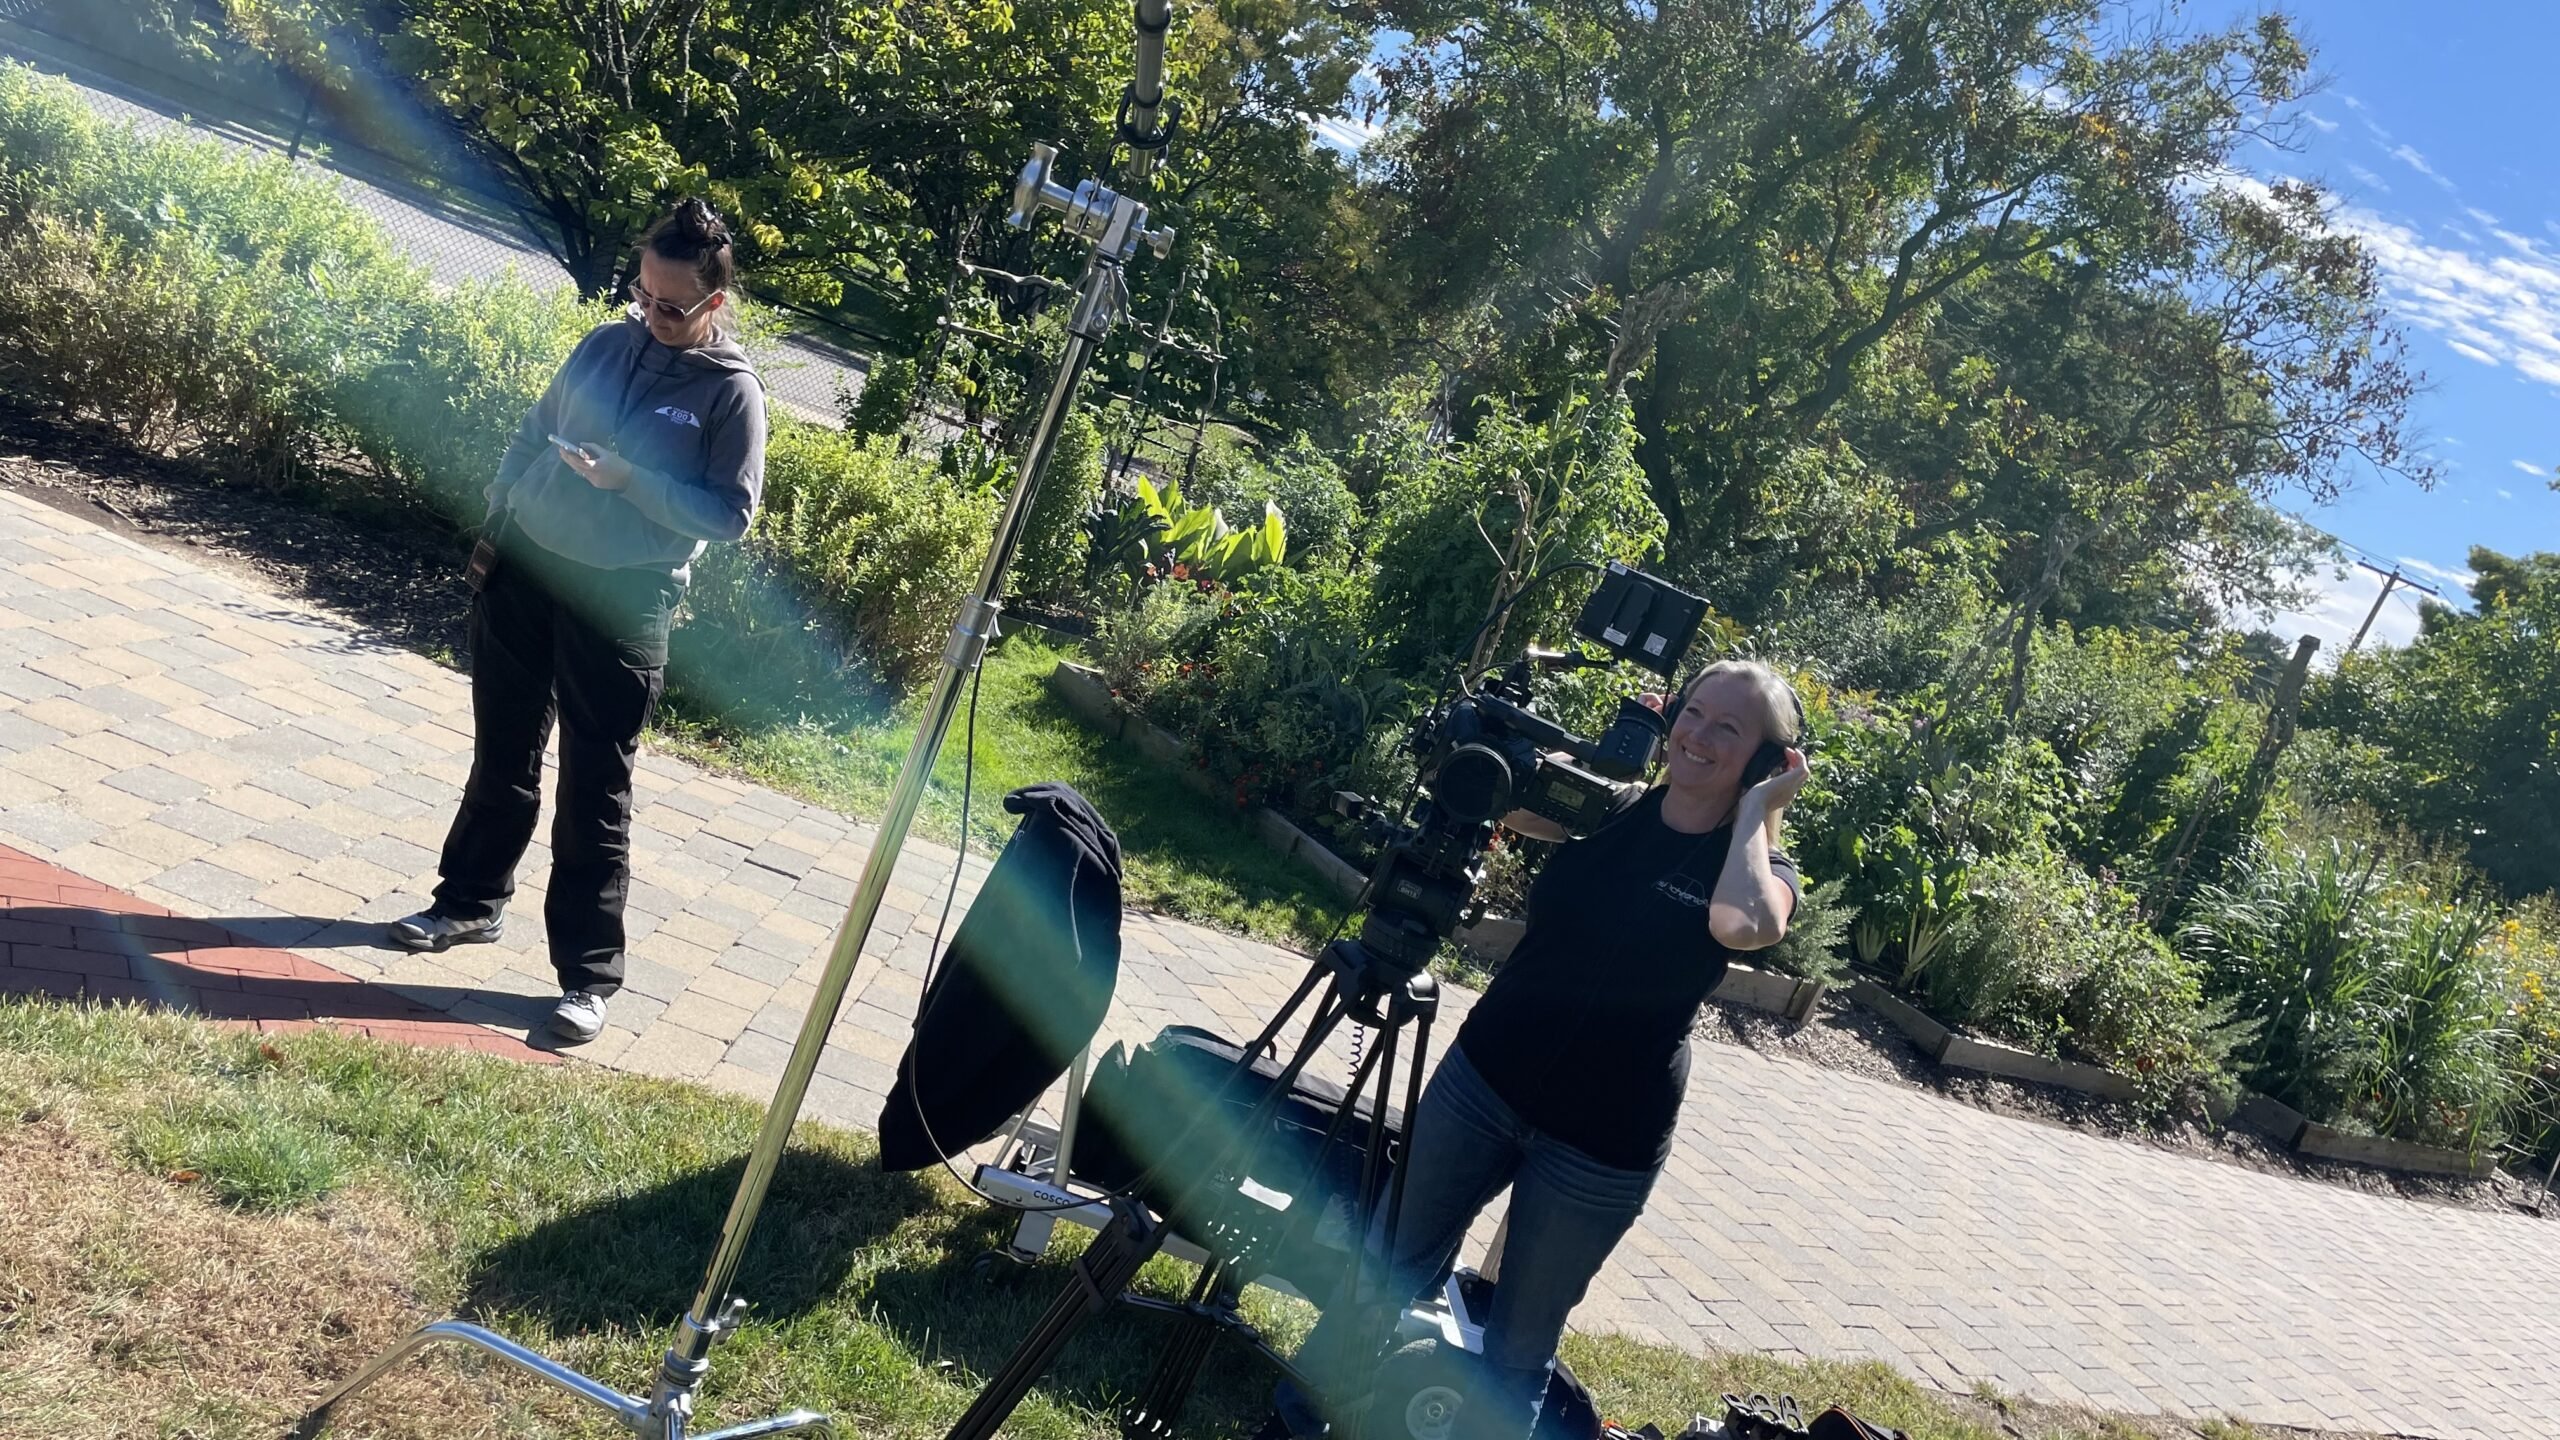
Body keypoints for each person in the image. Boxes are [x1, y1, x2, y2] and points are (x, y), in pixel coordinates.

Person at [1276, 659, 1810, 1440]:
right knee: (1381, 1271)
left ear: (1766, 761)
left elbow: (1742, 924)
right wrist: (1497, 739)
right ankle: (1295, 1424)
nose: (1696, 735)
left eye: (1728, 729)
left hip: (1600, 1147)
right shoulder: (1613, 808)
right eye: (1692, 713)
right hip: (1484, 1081)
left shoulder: (1759, 870)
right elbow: (1514, 798)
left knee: (1519, 1348)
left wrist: (1756, 811)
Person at [388, 198, 767, 1044]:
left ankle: (588, 979)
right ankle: (467, 905)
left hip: (624, 601)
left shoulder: (731, 394)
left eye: (673, 306)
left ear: (714, 303)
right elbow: (534, 431)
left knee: (595, 790)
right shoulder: (603, 345)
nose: (653, 315)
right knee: (503, 754)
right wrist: (499, 515)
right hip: (526, 571)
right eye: (644, 296)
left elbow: (731, 515)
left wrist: (629, 480)